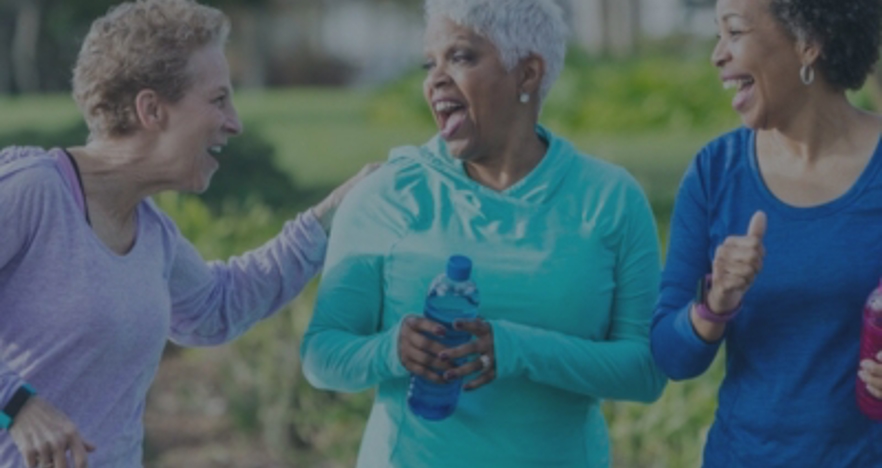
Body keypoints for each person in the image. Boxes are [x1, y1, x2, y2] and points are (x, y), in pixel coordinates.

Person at [0, 1, 377, 467]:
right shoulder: (33, 193)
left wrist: (330, 216)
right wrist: (16, 404)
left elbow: (215, 308)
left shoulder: (153, 231)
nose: (235, 122)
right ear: (152, 109)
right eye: (218, 100)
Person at [300, 1, 667, 466]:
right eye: (429, 63)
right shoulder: (388, 194)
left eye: (461, 57)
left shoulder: (610, 199)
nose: (435, 79)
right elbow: (321, 353)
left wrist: (516, 348)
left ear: (528, 74)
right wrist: (391, 350)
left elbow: (645, 371)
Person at [651, 0, 882, 466]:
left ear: (808, 43)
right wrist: (716, 304)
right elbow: (670, 356)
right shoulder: (715, 173)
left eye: (734, 32)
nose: (717, 54)